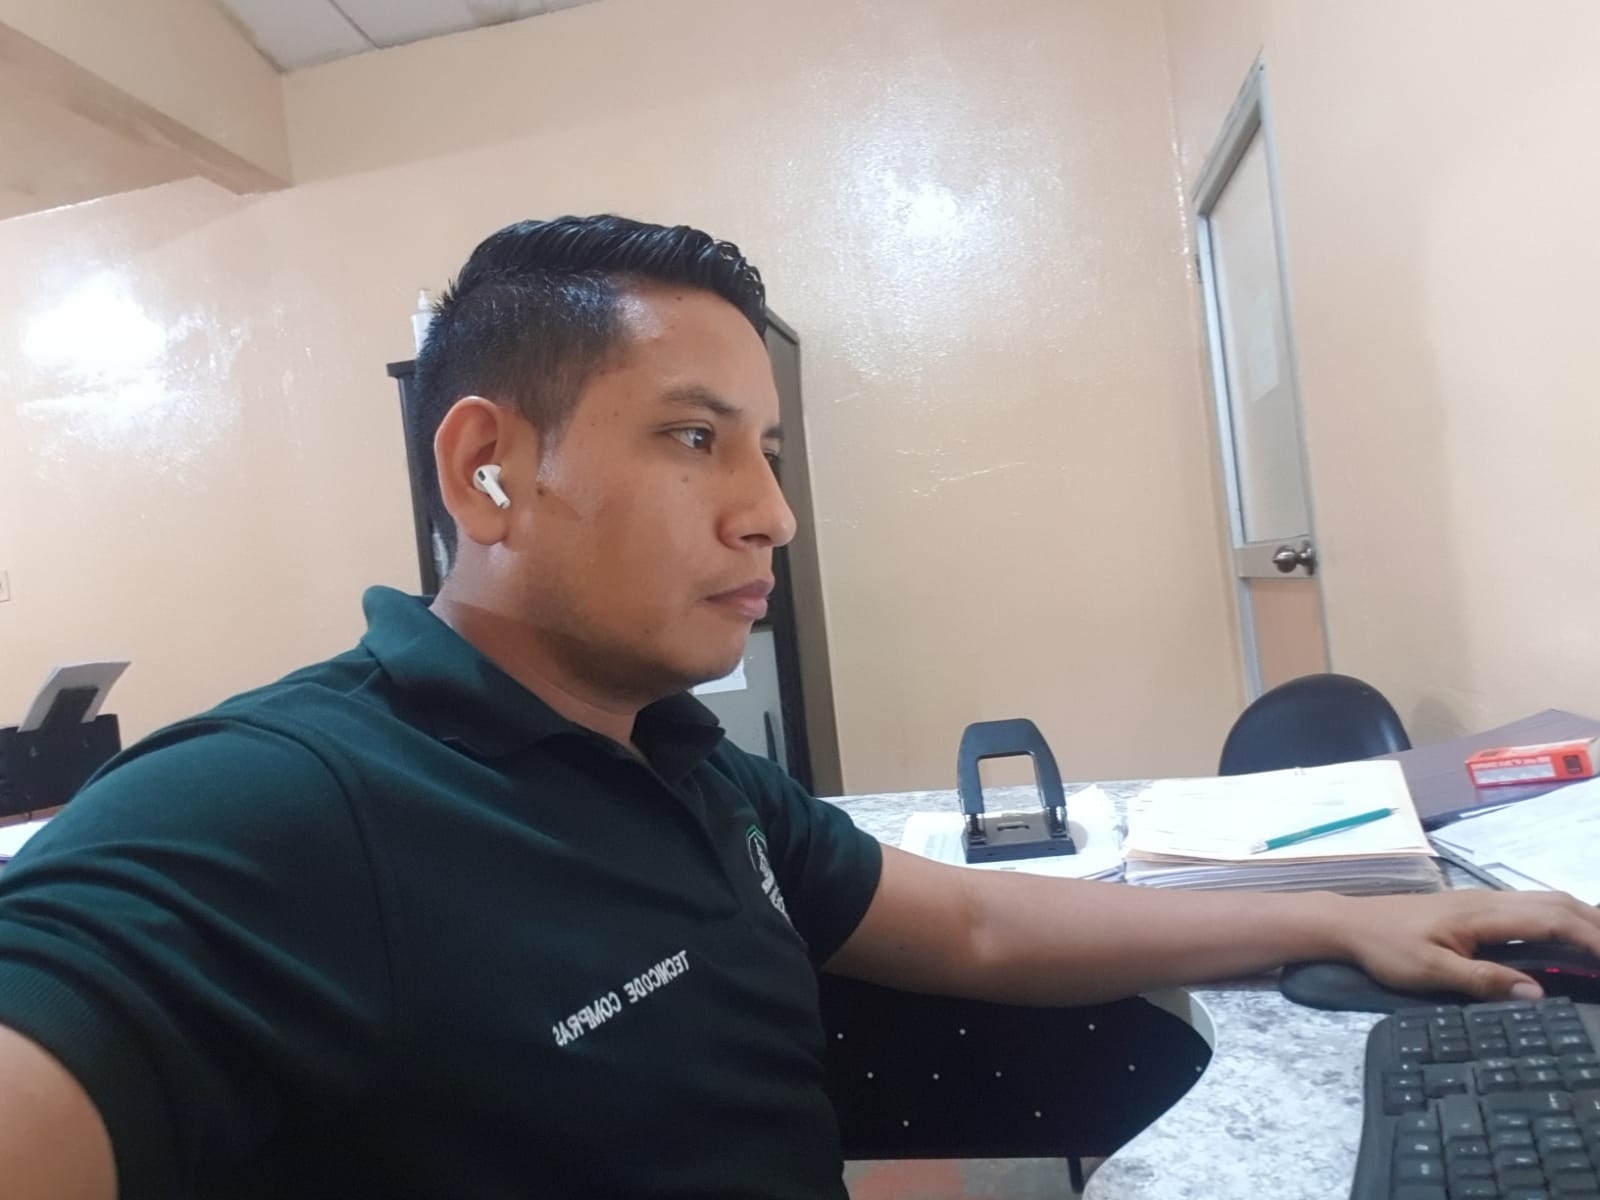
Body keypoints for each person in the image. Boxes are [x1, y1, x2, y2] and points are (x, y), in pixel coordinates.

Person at [0, 215, 1595, 1200]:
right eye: (695, 439)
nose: (771, 513)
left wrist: (1345, 918)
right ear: (486, 468)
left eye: (766, 451)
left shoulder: (680, 763)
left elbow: (977, 927)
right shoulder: (285, 803)